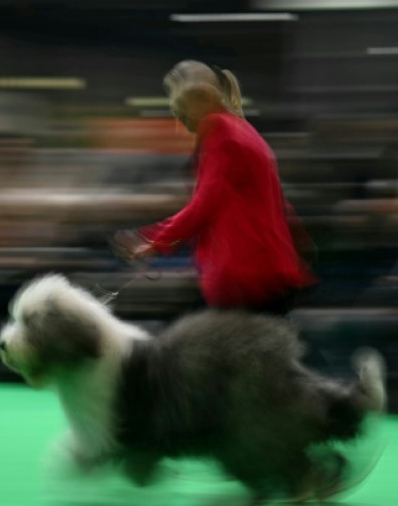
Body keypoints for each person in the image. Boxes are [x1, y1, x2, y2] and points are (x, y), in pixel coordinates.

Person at [115, 59, 316, 316]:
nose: (179, 120)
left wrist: (155, 241)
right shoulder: (243, 129)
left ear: (193, 104)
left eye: (179, 111)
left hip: (244, 274)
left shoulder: (220, 133)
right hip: (269, 268)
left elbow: (203, 204)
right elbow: (279, 203)